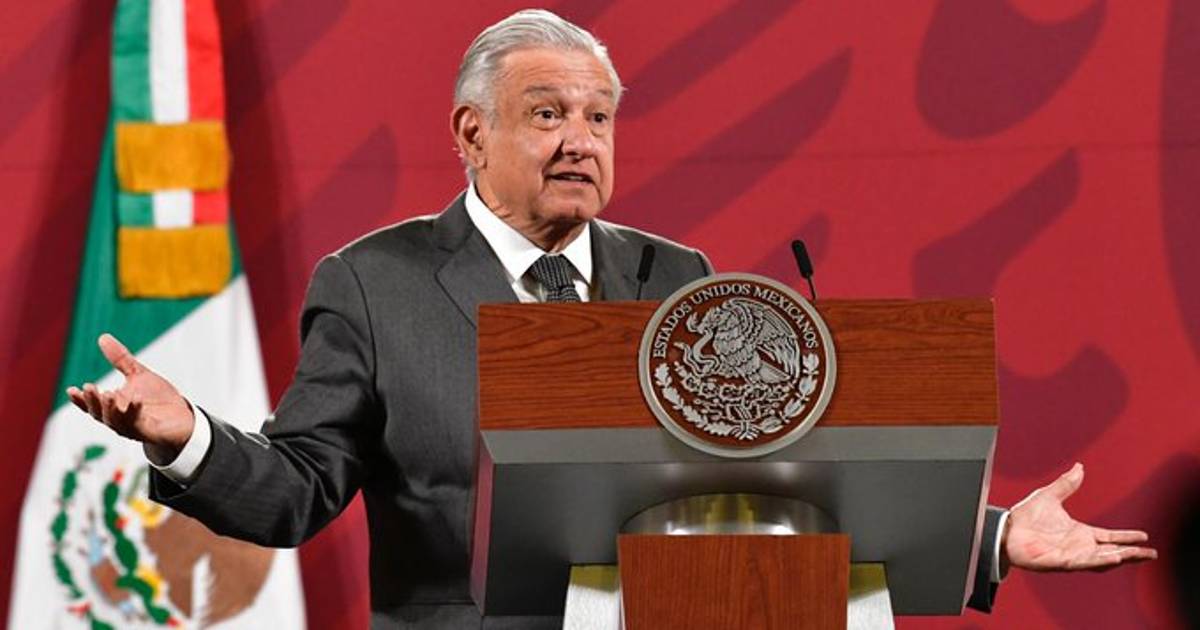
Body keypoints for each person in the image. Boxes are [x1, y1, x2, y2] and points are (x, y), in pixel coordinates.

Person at [66, 9, 1156, 629]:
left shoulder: (675, 277)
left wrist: (991, 535)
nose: (580, 140)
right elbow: (299, 490)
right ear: (470, 134)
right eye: (546, 114)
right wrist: (187, 436)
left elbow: (771, 482)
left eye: (599, 117)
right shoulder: (374, 283)